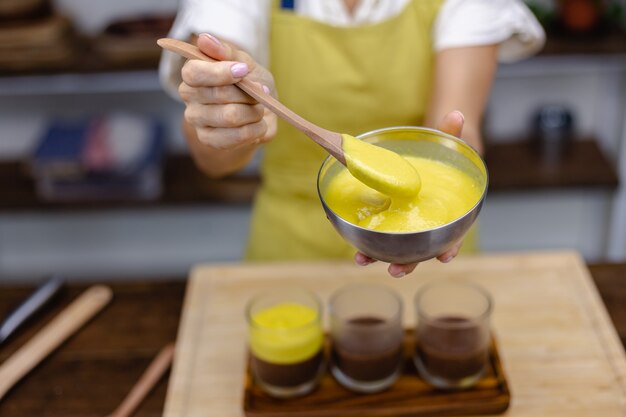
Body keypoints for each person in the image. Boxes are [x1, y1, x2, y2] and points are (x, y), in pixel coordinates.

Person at [159, 0, 545, 277]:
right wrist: (231, 116)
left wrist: (456, 167)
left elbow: (459, 128)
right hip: (290, 247)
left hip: (425, 241)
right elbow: (213, 162)